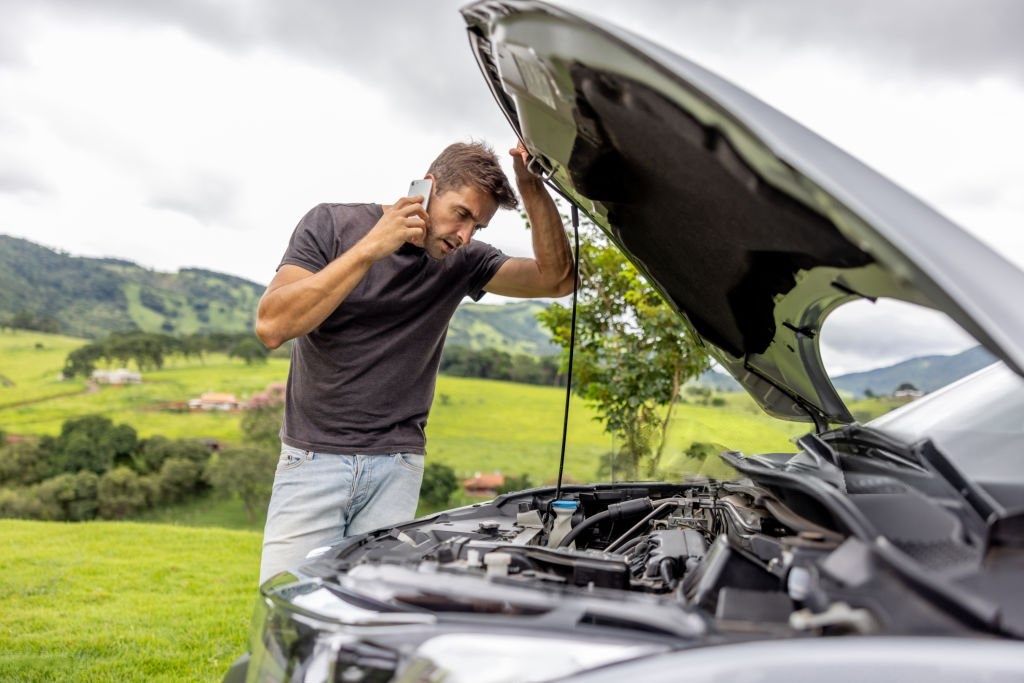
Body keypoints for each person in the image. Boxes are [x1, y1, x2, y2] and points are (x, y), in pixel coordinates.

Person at [254, 140, 574, 583]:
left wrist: (531, 186)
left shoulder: (463, 261)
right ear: (426, 188)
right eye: (461, 214)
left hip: (397, 466)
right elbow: (273, 325)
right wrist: (371, 248)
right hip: (313, 459)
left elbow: (556, 280)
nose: (465, 236)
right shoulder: (331, 223)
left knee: (373, 613)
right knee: (287, 599)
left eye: (478, 227)